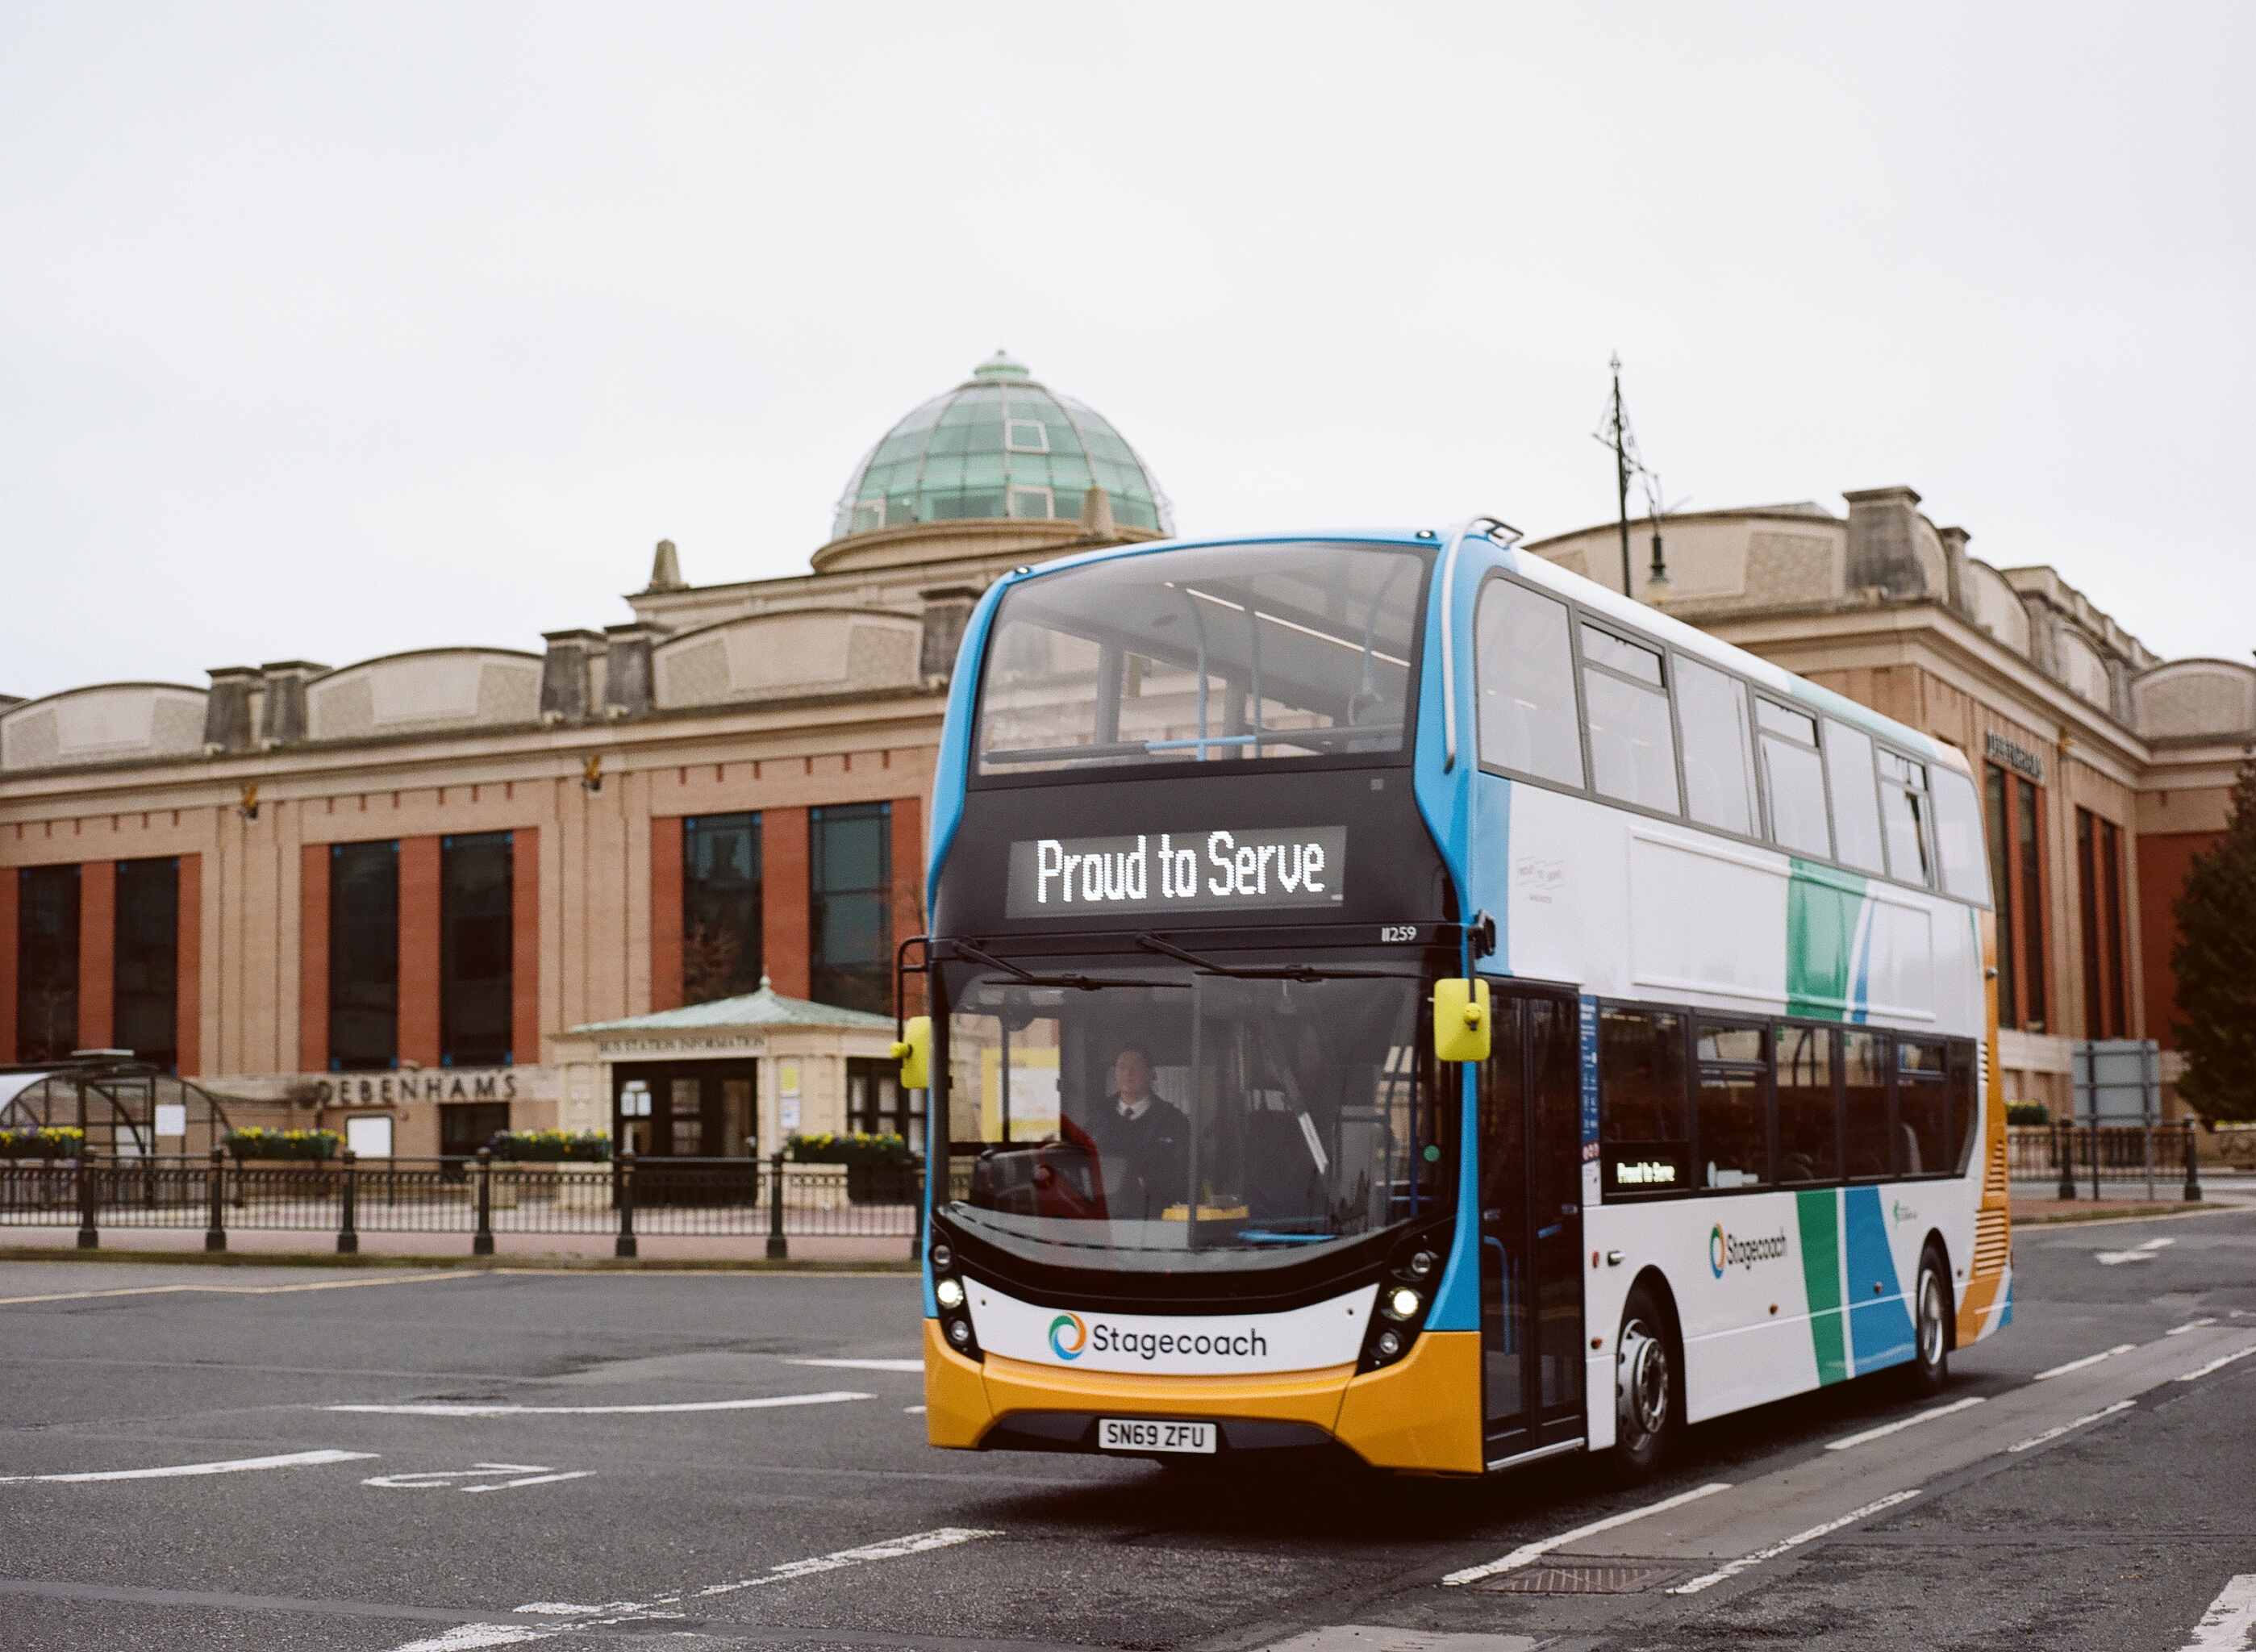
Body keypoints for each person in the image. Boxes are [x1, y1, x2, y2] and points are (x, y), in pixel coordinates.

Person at [1076, 1045, 1190, 1218]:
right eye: (1122, 1066)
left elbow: (1187, 1173)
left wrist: (1148, 1183)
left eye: (1136, 1066)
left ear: (1151, 1073)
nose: (1128, 1073)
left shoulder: (1173, 1121)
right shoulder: (1096, 1118)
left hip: (1156, 1218)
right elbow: (1078, 1164)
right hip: (1103, 1218)